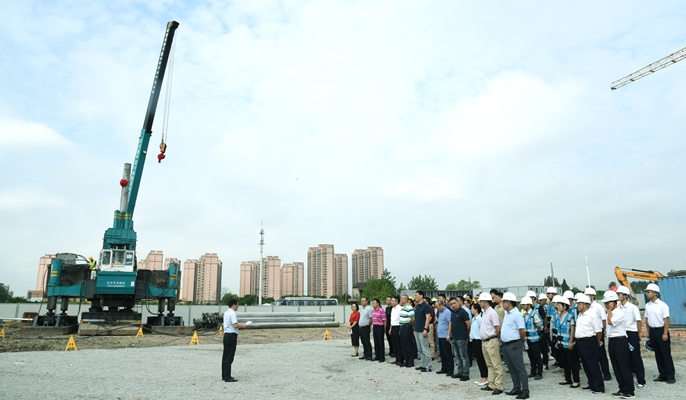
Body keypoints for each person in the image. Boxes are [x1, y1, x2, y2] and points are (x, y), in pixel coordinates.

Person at [603, 290, 635, 398]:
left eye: (607, 303)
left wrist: (609, 311)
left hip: (620, 341)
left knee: (624, 366)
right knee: (616, 367)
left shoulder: (620, 313)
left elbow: (610, 322)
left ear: (612, 303)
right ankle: (622, 388)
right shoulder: (609, 313)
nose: (605, 305)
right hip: (612, 340)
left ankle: (629, 391)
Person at [644, 283, 676, 384]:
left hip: (661, 330)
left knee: (665, 354)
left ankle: (670, 376)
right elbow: (647, 319)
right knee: (658, 354)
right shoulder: (647, 305)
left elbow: (666, 320)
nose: (647, 294)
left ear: (655, 293)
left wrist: (665, 333)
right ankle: (662, 375)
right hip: (653, 331)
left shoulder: (662, 305)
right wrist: (648, 332)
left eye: (649, 292)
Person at [500, 292, 529, 399]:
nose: (502, 304)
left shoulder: (516, 314)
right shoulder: (507, 313)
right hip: (506, 344)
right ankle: (516, 388)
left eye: (504, 302)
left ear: (509, 302)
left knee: (520, 368)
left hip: (514, 344)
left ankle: (525, 391)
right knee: (511, 368)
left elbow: (522, 330)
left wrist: (522, 341)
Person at [616, 286, 646, 389]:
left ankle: (641, 380)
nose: (618, 296)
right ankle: (630, 379)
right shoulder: (619, 308)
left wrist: (639, 333)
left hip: (632, 333)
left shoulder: (633, 307)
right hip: (623, 334)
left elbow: (639, 321)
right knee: (626, 358)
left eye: (619, 294)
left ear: (625, 295)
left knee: (635, 357)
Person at [574, 294, 604, 394]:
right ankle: (591, 384)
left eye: (579, 304)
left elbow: (598, 331)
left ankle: (599, 387)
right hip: (580, 342)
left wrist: (597, 342)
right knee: (586, 365)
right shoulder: (580, 315)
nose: (577, 306)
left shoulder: (592, 315)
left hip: (589, 341)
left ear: (585, 305)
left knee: (593, 364)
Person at [479, 292, 504, 395]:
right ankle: (491, 384)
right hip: (485, 341)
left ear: (485, 302)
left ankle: (499, 385)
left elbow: (497, 328)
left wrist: (496, 339)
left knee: (496, 364)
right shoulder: (484, 312)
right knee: (489, 364)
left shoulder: (492, 313)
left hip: (491, 340)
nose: (479, 303)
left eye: (481, 301)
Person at [585, 287, 612, 381]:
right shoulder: (587, 308)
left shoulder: (598, 307)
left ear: (593, 296)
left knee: (601, 354)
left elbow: (603, 319)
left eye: (587, 295)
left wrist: (604, 330)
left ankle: (606, 373)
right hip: (590, 332)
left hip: (598, 332)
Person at [553, 295, 580, 388]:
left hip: (568, 344)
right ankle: (567, 379)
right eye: (557, 305)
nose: (557, 307)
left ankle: (576, 380)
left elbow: (572, 331)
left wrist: (571, 342)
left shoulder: (570, 317)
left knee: (573, 363)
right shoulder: (558, 316)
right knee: (565, 363)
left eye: (559, 305)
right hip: (561, 344)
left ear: (565, 306)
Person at [222, 298, 247, 382]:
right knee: (230, 356)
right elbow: (235, 325)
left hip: (226, 335)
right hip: (231, 335)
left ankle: (224, 375)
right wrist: (243, 325)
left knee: (225, 356)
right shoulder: (232, 313)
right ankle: (227, 377)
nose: (238, 306)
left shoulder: (226, 312)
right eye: (237, 304)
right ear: (234, 305)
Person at [449, 296, 471, 381]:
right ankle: (460, 372)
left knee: (463, 356)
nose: (453, 305)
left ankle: (466, 374)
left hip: (462, 337)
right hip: (454, 337)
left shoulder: (463, 312)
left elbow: (468, 324)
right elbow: (451, 324)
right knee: (457, 356)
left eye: (454, 303)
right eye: (451, 304)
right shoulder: (452, 312)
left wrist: (467, 333)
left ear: (458, 303)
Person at [521, 296, 543, 380]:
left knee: (537, 357)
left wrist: (536, 333)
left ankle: (539, 373)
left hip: (534, 339)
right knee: (531, 357)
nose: (523, 306)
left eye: (524, 305)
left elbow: (539, 325)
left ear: (529, 305)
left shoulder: (534, 314)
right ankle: (533, 371)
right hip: (527, 340)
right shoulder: (524, 314)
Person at [469, 302, 489, 386]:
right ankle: (482, 376)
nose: (471, 310)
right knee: (478, 359)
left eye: (472, 309)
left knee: (482, 359)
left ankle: (485, 377)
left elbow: (482, 330)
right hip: (474, 340)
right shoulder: (474, 319)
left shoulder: (480, 319)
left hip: (479, 341)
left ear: (476, 310)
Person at [413, 291, 433, 372]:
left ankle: (428, 366)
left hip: (422, 330)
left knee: (425, 349)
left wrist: (425, 329)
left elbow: (428, 318)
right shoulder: (417, 306)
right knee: (420, 349)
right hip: (417, 330)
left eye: (416, 295)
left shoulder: (426, 306)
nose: (415, 297)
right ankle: (423, 364)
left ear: (421, 296)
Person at [435, 300, 454, 377]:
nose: (437, 309)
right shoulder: (440, 312)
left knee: (447, 353)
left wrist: (448, 334)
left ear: (441, 305)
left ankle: (450, 370)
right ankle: (444, 368)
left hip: (445, 335)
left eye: (437, 307)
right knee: (442, 353)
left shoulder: (447, 312)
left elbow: (450, 323)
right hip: (440, 335)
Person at [399, 294, 415, 368]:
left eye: (402, 299)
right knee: (403, 345)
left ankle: (410, 361)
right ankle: (406, 360)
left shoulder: (409, 307)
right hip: (402, 327)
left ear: (406, 300)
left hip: (407, 327)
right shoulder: (402, 308)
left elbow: (412, 319)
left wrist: (411, 327)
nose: (401, 300)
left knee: (408, 345)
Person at [389, 296, 403, 366]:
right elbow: (392, 319)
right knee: (394, 344)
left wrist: (400, 329)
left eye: (392, 301)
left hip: (398, 327)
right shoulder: (393, 308)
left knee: (398, 344)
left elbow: (401, 319)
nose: (391, 302)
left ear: (396, 301)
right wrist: (390, 328)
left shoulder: (400, 308)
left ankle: (400, 359)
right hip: (393, 327)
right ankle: (397, 359)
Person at [371, 298, 387, 362]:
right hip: (375, 327)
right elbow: (372, 319)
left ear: (378, 304)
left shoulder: (381, 310)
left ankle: (382, 357)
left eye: (374, 303)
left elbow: (384, 320)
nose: (373, 304)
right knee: (376, 342)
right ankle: (377, 356)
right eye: (372, 303)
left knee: (380, 342)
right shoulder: (373, 311)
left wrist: (384, 328)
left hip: (380, 327)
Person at [536, 293, 549, 370]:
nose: (540, 301)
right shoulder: (534, 308)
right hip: (535, 331)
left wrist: (544, 326)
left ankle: (545, 363)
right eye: (540, 300)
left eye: (542, 300)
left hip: (541, 330)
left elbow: (544, 318)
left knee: (543, 348)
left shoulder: (540, 308)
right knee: (538, 349)